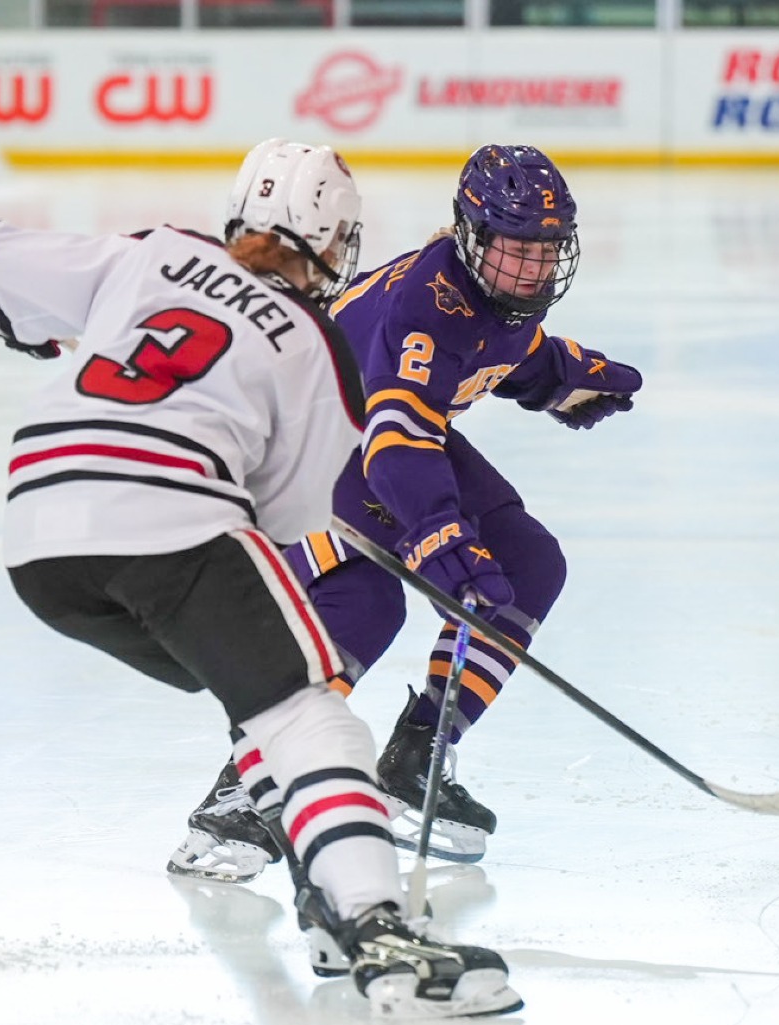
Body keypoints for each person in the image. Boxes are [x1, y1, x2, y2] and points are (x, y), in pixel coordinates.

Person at [0, 138, 522, 1020]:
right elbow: (288, 519)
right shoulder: (317, 345)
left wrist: (46, 335)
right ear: (334, 241)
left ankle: (323, 890)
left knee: (258, 697)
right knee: (304, 709)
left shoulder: (150, 253)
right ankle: (376, 927)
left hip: (38, 532)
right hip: (168, 518)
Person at [169, 144, 642, 879]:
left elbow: (504, 353)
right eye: (518, 249)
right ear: (473, 237)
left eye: (547, 250)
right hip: (318, 450)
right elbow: (398, 442)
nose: (533, 268)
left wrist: (564, 377)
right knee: (365, 604)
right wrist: (436, 532)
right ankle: (243, 793)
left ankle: (418, 756)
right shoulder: (426, 304)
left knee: (528, 563)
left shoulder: (492, 292)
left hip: (378, 437)